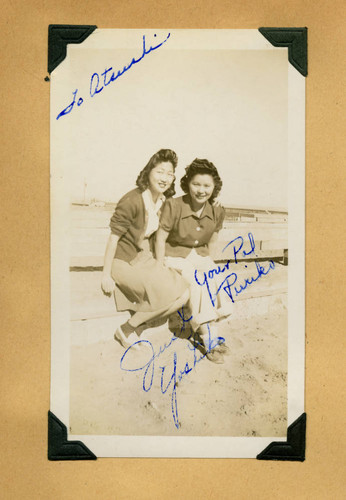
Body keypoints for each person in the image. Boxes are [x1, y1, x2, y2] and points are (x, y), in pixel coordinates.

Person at [101, 149, 189, 349]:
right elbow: (113, 238)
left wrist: (212, 202)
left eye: (169, 173)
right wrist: (105, 274)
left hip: (144, 258)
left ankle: (132, 329)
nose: (164, 178)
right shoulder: (132, 200)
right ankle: (128, 330)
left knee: (184, 294)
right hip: (123, 261)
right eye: (160, 171)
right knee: (164, 293)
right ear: (148, 172)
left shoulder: (163, 201)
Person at [155, 158, 233, 363]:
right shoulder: (174, 205)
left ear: (214, 187)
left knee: (214, 278)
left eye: (207, 186)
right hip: (174, 256)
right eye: (196, 184)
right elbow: (161, 237)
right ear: (187, 184)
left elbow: (213, 240)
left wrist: (210, 265)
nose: (201, 190)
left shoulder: (217, 210)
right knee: (198, 281)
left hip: (198, 255)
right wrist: (159, 265)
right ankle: (210, 341)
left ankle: (212, 334)